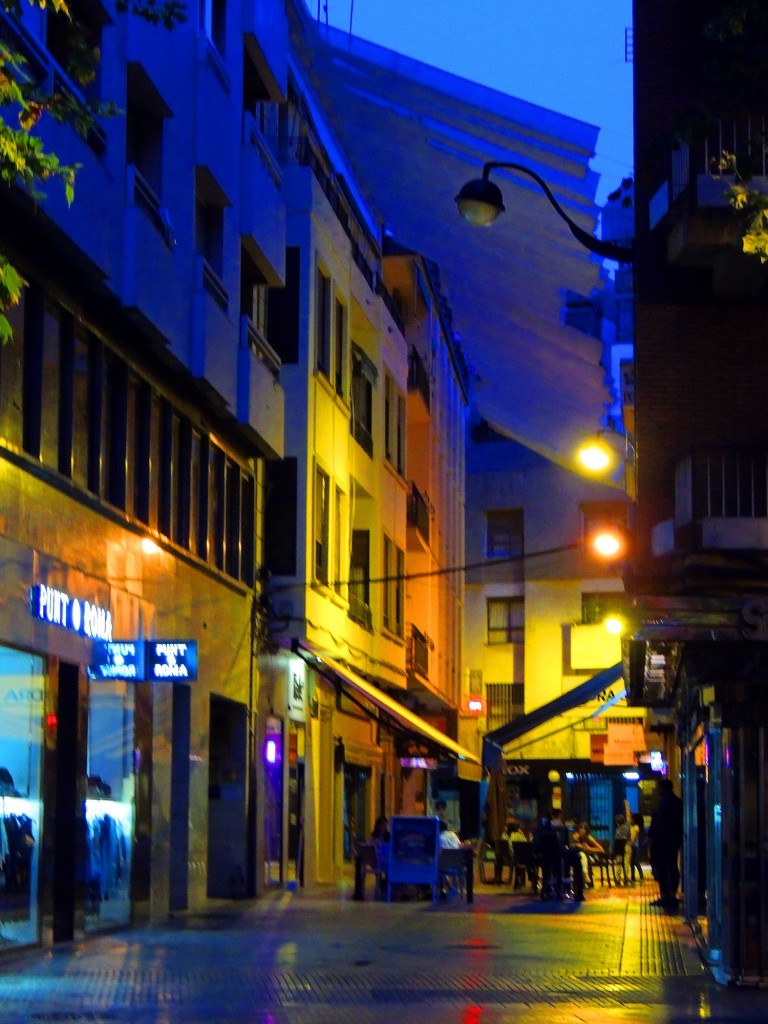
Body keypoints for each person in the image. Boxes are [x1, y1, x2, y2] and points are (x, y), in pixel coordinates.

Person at [647, 777, 684, 909]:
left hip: (662, 840)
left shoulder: (663, 803)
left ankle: (666, 896)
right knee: (672, 866)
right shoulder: (678, 803)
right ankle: (671, 895)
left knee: (662, 867)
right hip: (674, 840)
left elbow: (658, 821)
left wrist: (651, 837)